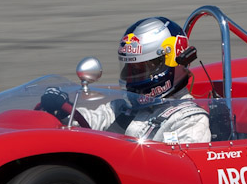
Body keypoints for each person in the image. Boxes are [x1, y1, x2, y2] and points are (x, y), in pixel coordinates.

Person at [40, 17, 211, 144]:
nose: (134, 75)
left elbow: (181, 173)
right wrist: (62, 113)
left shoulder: (190, 119)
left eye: (143, 68)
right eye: (131, 68)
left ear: (172, 62)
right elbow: (88, 121)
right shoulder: (123, 108)